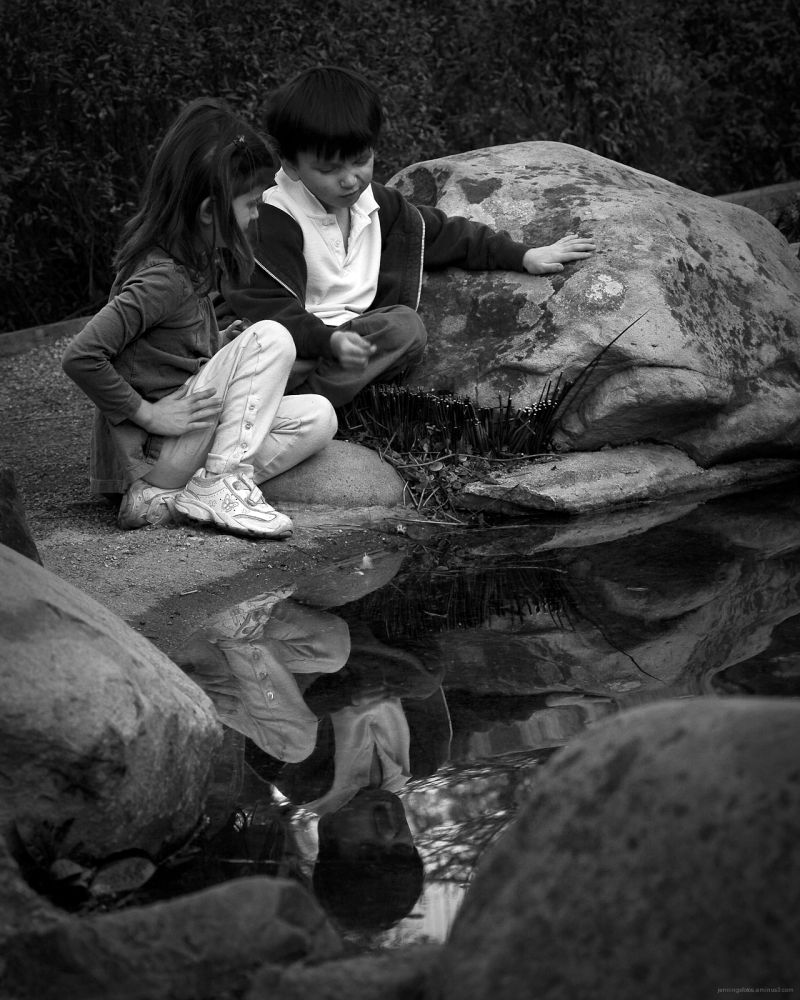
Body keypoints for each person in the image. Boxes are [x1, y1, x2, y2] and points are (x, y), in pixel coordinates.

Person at [217, 65, 596, 408]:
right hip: (286, 342)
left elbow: (445, 234)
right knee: (273, 349)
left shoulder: (376, 204)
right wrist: (324, 342)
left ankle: (301, 400)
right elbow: (268, 310)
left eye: (361, 160)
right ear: (291, 166)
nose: (350, 179)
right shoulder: (271, 218)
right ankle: (293, 401)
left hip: (345, 344)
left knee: (403, 328)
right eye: (329, 169)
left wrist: (524, 255)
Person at [62, 98, 337, 539]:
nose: (255, 215)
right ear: (210, 211)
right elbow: (81, 356)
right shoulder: (162, 279)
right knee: (273, 337)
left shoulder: (186, 265)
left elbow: (162, 357)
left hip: (178, 448)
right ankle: (220, 483)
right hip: (155, 452)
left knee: (318, 417)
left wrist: (223, 343)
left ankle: (172, 502)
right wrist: (149, 415)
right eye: (250, 204)